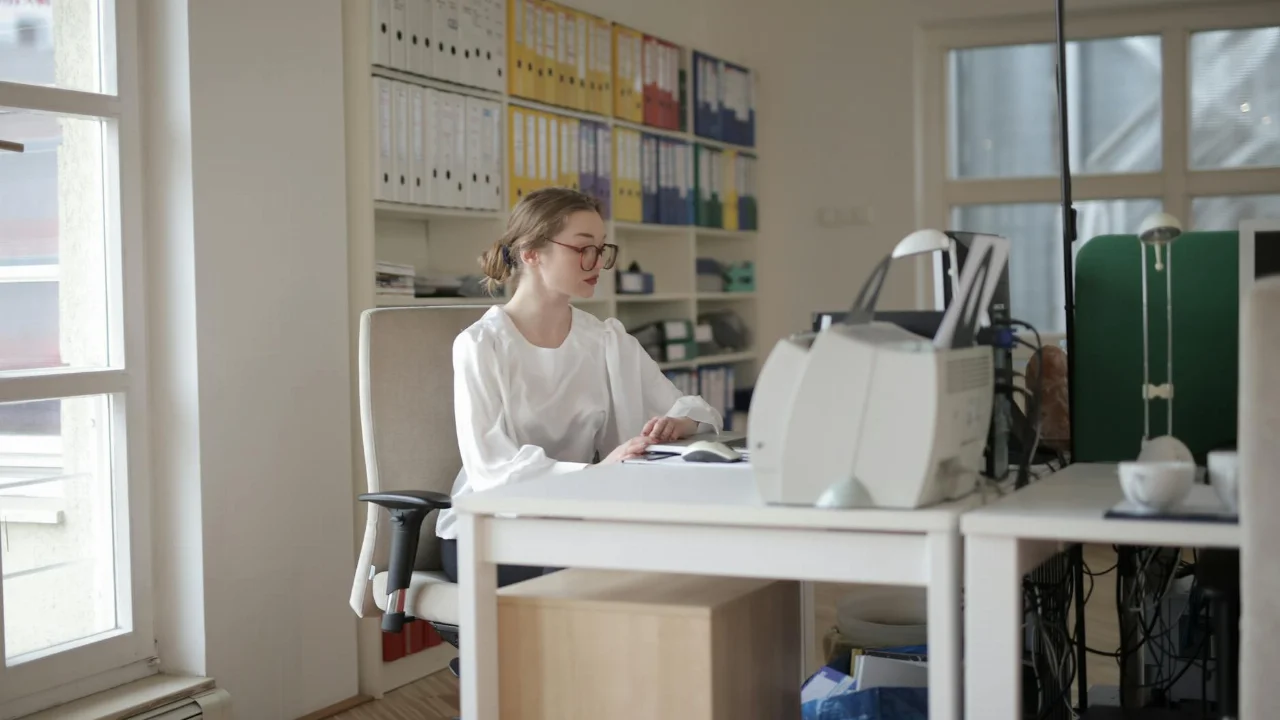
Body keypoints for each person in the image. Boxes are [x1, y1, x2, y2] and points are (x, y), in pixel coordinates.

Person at [436, 187, 723, 586]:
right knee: (605, 567)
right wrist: (596, 473)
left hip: (580, 516)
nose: (597, 263)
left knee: (672, 551)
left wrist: (680, 424)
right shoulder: (482, 345)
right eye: (582, 248)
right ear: (530, 252)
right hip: (491, 530)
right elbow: (491, 471)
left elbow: (696, 409)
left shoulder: (607, 339)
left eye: (602, 249)